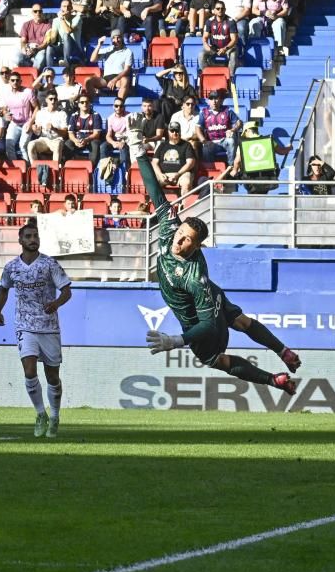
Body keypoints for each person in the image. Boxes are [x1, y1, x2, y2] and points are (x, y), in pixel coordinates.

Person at [129, 133, 301, 393]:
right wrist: (138, 151)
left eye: (187, 240)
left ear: (197, 246)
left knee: (215, 360)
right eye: (180, 235)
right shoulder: (169, 227)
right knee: (242, 321)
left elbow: (208, 325)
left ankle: (271, 379)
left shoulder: (193, 276)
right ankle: (283, 351)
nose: (179, 241)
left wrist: (176, 340)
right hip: (214, 292)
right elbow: (156, 192)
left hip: (200, 316)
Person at [0, 219, 74, 438]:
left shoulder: (49, 264)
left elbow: (67, 291)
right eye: (28, 236)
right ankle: (40, 414)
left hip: (48, 327)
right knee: (29, 371)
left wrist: (56, 303)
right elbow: (3, 289)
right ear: (20, 240)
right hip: (24, 325)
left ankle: (55, 416)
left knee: (52, 377)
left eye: (35, 236)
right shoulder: (11, 267)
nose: (32, 240)